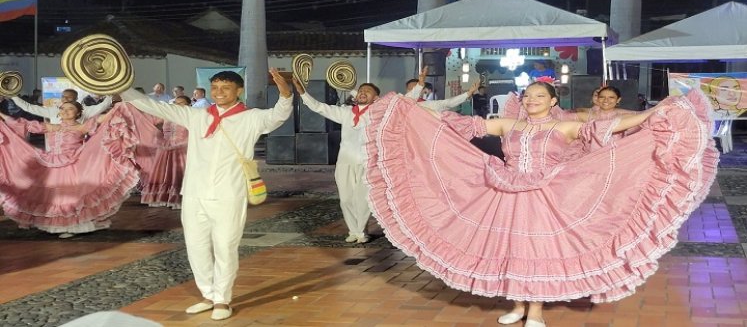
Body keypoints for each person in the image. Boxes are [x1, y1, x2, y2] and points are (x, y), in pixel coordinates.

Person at [364, 81, 718, 327]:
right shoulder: (509, 124)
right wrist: (416, 113)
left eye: (538, 96)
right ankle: (518, 305)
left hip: (549, 195)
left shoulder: (565, 127)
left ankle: (536, 309)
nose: (531, 99)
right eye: (528, 95)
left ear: (552, 102)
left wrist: (652, 115)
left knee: (537, 251)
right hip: (506, 191)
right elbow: (464, 126)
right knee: (511, 248)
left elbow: (612, 126)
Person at [120, 69, 292, 321]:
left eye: (225, 88)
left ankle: (223, 299)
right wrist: (119, 85)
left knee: (225, 246)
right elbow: (150, 105)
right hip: (194, 192)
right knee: (196, 245)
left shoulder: (251, 118)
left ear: (238, 90)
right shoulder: (197, 116)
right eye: (215, 88)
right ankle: (207, 295)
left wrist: (285, 92)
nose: (219, 93)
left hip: (228, 194)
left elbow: (279, 115)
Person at [0, 101, 139, 238]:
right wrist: (2, 115)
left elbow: (104, 118)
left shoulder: (82, 127)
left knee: (70, 196)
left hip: (74, 163)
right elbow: (23, 124)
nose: (65, 111)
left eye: (70, 109)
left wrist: (118, 107)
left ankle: (73, 226)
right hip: (52, 162)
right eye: (62, 108)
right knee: (52, 196)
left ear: (78, 113)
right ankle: (59, 225)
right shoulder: (52, 126)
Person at [293, 77, 379, 244]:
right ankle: (353, 230)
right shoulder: (346, 112)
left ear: (376, 98)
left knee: (363, 198)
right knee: (346, 198)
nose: (363, 93)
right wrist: (303, 93)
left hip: (367, 161)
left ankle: (361, 231)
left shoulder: (379, 114)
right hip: (345, 160)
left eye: (368, 91)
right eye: (361, 90)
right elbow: (319, 107)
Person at [139, 95, 191, 210]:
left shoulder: (190, 117)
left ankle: (180, 199)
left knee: (178, 174)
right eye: (176, 103)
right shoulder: (167, 116)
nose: (178, 105)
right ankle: (163, 197)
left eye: (181, 103)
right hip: (165, 148)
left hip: (183, 149)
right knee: (163, 174)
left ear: (188, 105)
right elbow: (149, 122)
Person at [10, 89, 113, 124]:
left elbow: (102, 106)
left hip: (76, 149)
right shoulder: (53, 110)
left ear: (75, 98)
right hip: (55, 149)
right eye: (63, 96)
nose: (65, 99)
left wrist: (111, 94)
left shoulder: (83, 110)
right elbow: (29, 107)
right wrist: (13, 96)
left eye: (69, 97)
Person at [405, 67, 479, 112]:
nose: (413, 91)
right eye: (410, 89)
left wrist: (468, 93)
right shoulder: (402, 103)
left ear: (422, 89)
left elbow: (447, 103)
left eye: (417, 88)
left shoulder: (424, 105)